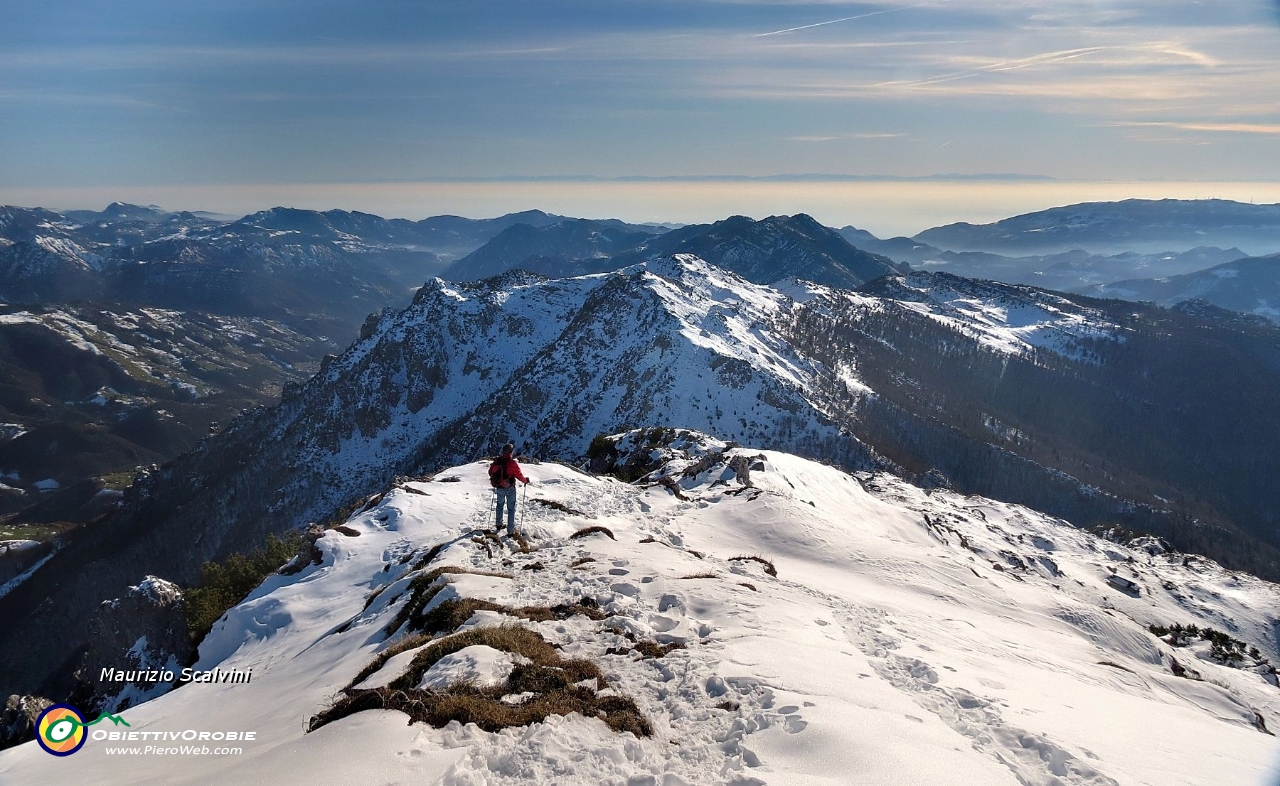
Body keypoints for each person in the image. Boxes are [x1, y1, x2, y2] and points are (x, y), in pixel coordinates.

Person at [489, 443, 530, 535]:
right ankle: (510, 530)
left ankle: (498, 524)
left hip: (499, 487)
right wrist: (525, 481)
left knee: (499, 505)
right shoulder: (512, 463)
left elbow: (490, 472)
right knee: (511, 508)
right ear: (511, 452)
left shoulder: (497, 461)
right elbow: (518, 475)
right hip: (510, 488)